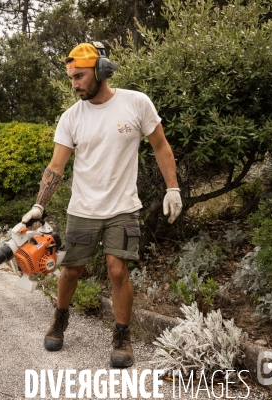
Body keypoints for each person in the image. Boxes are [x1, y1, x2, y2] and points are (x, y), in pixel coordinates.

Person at [21, 42, 182, 368]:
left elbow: (161, 146)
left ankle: (122, 335)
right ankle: (60, 318)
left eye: (79, 76)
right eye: (70, 78)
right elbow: (56, 167)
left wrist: (173, 188)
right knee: (70, 271)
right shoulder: (71, 118)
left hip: (123, 206)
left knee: (117, 269)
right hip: (82, 209)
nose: (74, 84)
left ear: (100, 71)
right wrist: (39, 206)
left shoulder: (137, 104)